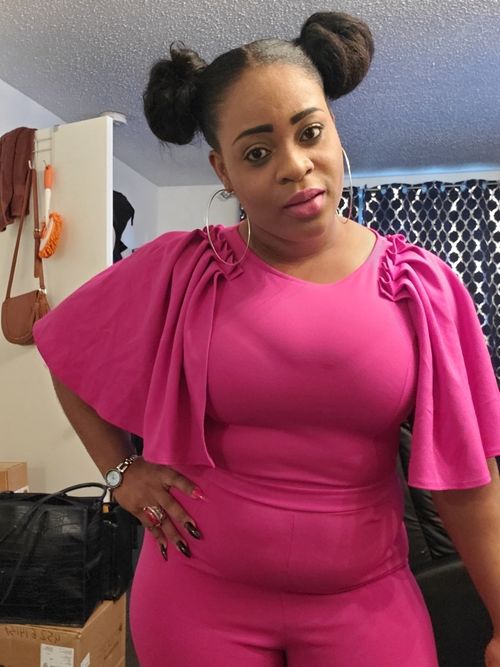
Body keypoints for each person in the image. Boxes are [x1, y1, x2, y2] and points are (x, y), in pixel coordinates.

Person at [33, 11, 500, 667]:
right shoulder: (179, 269)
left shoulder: (419, 286)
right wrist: (121, 472)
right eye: (257, 153)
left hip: (365, 603)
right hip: (196, 602)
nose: (295, 166)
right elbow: (64, 352)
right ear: (223, 171)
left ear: (335, 130)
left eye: (310, 133)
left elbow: (468, 478)